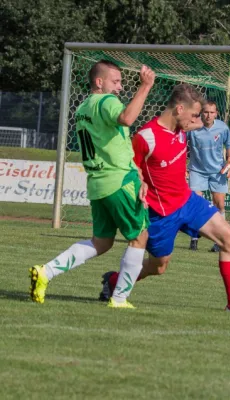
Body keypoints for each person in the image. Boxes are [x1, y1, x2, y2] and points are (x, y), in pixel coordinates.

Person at [98, 85, 230, 312]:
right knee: (159, 267)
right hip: (160, 213)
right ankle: (113, 282)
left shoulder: (183, 128)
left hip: (187, 201)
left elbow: (204, 123)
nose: (198, 119)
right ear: (179, 109)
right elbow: (129, 169)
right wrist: (139, 184)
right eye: (194, 114)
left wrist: (202, 121)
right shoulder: (146, 137)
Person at [29, 60, 155, 309]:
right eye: (115, 81)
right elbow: (127, 118)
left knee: (102, 242)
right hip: (119, 181)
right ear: (100, 82)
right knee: (140, 237)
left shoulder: (83, 107)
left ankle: (46, 272)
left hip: (98, 183)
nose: (119, 88)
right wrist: (145, 86)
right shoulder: (106, 102)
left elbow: (112, 142)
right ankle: (119, 299)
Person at [186, 101, 230, 252]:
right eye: (206, 112)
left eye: (211, 112)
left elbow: (229, 145)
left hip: (217, 171)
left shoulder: (222, 127)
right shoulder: (193, 128)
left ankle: (220, 240)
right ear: (201, 113)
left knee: (219, 204)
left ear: (216, 113)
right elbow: (182, 144)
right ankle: (194, 238)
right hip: (197, 170)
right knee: (196, 203)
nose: (208, 115)